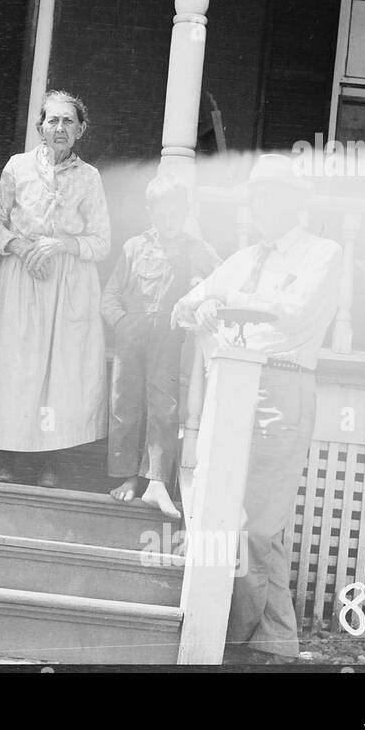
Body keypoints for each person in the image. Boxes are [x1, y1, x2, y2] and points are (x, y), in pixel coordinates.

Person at [171, 152, 342, 664]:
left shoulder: (322, 253)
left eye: (273, 197)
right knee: (228, 515)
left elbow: (295, 312)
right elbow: (186, 306)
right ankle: (273, 644)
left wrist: (231, 305)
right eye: (257, 198)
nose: (263, 207)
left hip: (282, 391)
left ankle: (246, 644)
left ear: (294, 204)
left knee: (260, 526)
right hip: (233, 388)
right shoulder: (245, 258)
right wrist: (202, 304)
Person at [0, 90, 110, 488]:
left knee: (59, 371)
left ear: (81, 129)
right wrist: (19, 246)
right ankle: (9, 455)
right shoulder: (17, 167)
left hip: (69, 283)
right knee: (17, 365)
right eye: (53, 121)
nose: (60, 128)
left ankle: (50, 461)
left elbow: (101, 242)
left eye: (69, 121)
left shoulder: (89, 178)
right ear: (40, 127)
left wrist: (62, 244)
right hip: (22, 278)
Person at [104, 175, 220, 515]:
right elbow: (110, 295)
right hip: (131, 336)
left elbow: (221, 277)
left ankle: (155, 481)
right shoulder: (133, 247)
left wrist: (201, 287)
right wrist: (121, 323)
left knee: (164, 409)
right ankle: (127, 477)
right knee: (123, 406)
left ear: (186, 212)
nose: (169, 217)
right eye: (161, 211)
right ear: (150, 212)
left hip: (169, 339)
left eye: (176, 211)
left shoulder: (195, 248)